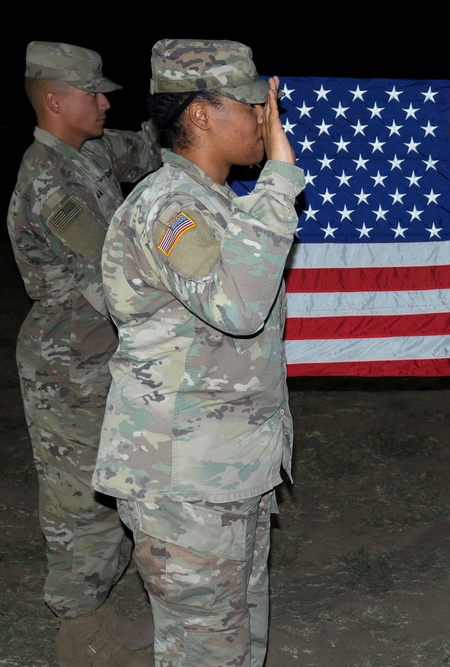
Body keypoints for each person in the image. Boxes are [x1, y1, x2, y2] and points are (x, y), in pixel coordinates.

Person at [90, 39, 303, 667]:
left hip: (228, 468)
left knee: (237, 644)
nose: (266, 118)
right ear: (202, 114)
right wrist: (279, 184)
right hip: (183, 479)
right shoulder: (169, 208)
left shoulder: (210, 201)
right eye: (251, 103)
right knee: (206, 653)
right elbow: (237, 305)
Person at [7, 41, 162, 667]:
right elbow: (115, 274)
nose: (103, 102)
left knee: (119, 487)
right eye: (92, 93)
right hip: (67, 367)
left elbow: (150, 147)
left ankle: (99, 613)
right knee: (81, 504)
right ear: (54, 100)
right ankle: (79, 631)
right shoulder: (49, 182)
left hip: (104, 355)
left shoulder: (90, 151)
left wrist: (188, 104)